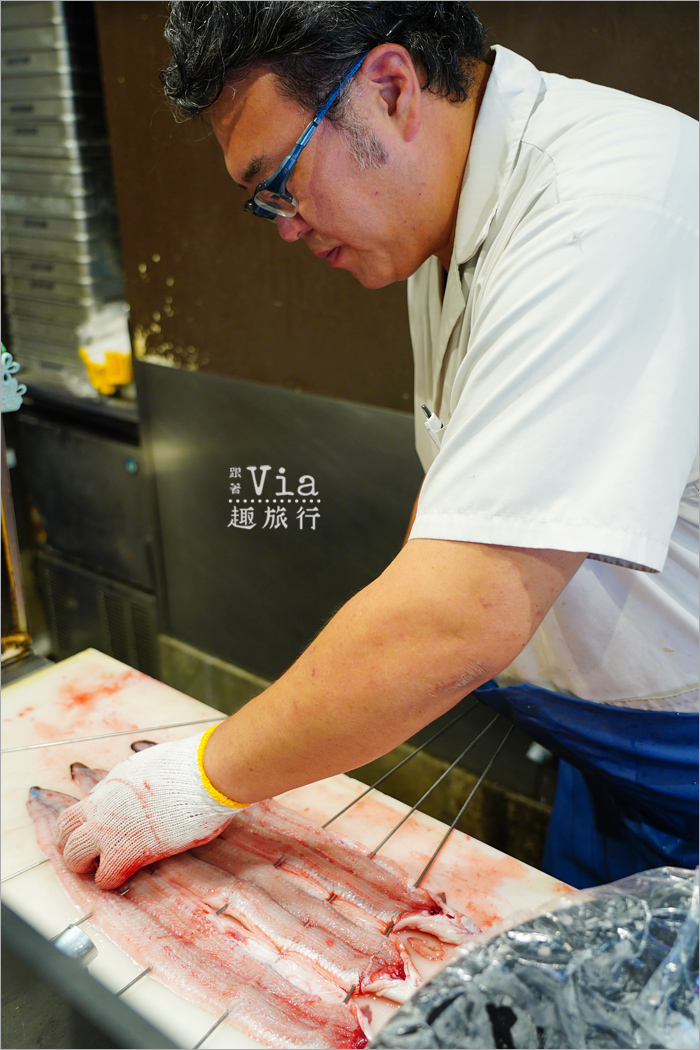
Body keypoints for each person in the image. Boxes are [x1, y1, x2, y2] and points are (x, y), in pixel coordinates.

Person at [56, 2, 698, 892]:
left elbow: (463, 608)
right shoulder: (438, 216)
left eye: (280, 178)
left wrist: (204, 776)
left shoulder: (607, 211)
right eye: (260, 203)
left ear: (390, 88)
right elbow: (462, 508)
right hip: (607, 762)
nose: (282, 223)